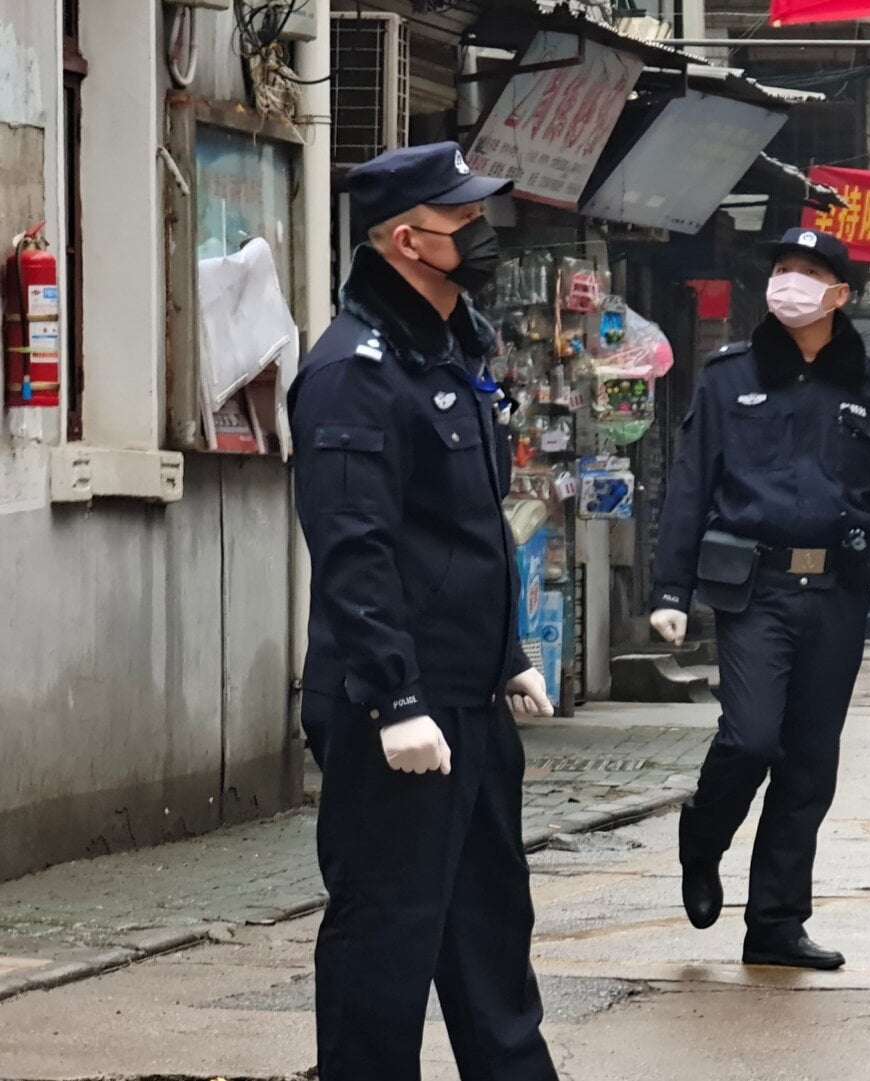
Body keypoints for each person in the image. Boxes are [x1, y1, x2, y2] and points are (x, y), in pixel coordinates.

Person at [290, 142, 561, 1081]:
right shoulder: (353, 370)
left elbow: (467, 532)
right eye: (463, 223)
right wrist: (395, 698)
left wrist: (509, 649)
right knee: (387, 944)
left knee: (492, 931)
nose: (482, 235)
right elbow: (354, 548)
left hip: (471, 699)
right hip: (394, 710)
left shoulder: (450, 349)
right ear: (408, 240)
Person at [649, 227, 870, 970]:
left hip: (837, 593)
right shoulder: (727, 376)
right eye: (782, 269)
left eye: (808, 272)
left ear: (841, 294)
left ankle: (775, 922)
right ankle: (702, 839)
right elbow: (689, 484)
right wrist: (670, 587)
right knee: (751, 737)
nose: (788, 283)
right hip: (755, 589)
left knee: (808, 762)